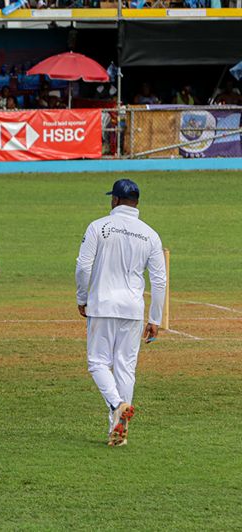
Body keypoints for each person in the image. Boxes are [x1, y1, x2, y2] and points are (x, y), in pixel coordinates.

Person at [75, 179, 166, 447]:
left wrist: (82, 297)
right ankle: (118, 428)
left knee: (98, 362)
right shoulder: (150, 234)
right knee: (126, 367)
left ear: (115, 200)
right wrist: (155, 318)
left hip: (102, 304)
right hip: (133, 309)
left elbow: (83, 266)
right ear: (136, 202)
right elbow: (159, 280)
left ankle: (117, 405)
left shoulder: (98, 226)